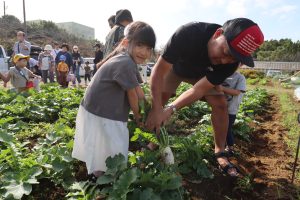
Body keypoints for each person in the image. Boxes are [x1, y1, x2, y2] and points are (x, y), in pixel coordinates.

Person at [146, 18, 264, 177]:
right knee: (161, 99)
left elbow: (197, 90)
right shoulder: (189, 33)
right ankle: (151, 141)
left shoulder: (229, 65)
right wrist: (157, 108)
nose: (224, 60)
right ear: (218, 34)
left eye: (233, 59)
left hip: (202, 75)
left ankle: (220, 152)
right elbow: (158, 71)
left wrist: (171, 109)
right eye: (225, 52)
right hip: (176, 68)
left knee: (220, 104)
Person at [72, 21, 156, 180]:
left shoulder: (127, 59)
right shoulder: (125, 62)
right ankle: (99, 177)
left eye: (148, 48)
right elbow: (132, 95)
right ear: (126, 43)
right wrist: (139, 117)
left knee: (105, 145)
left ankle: (99, 174)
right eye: (140, 45)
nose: (144, 52)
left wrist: (148, 108)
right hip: (103, 111)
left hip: (99, 108)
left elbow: (138, 89)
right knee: (113, 146)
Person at [220, 70, 246, 155]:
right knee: (219, 128)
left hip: (231, 109)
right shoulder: (221, 74)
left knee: (227, 129)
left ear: (240, 64)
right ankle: (221, 147)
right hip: (219, 108)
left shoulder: (240, 78)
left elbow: (237, 92)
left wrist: (222, 88)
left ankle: (230, 148)